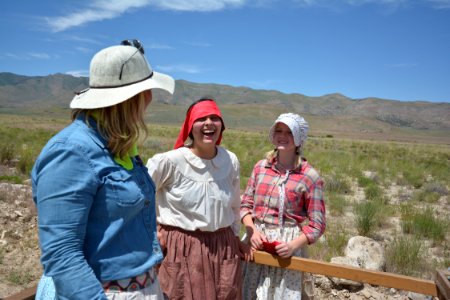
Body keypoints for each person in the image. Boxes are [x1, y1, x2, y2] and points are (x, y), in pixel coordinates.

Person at [31, 39, 174, 299]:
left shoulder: (118, 145)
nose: (151, 100)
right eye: (147, 91)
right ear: (133, 98)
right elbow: (62, 253)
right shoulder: (71, 151)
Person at [146, 98, 252, 300]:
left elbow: (234, 206)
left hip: (223, 247)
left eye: (214, 118)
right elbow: (140, 198)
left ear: (222, 125)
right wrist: (152, 233)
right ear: (189, 126)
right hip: (181, 248)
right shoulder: (169, 161)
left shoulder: (230, 160)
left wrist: (235, 237)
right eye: (201, 118)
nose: (209, 123)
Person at [240, 113, 326, 299]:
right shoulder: (260, 168)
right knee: (250, 293)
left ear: (299, 138)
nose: (283, 136)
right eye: (279, 130)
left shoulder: (310, 176)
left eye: (289, 132)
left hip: (288, 249)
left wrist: (293, 246)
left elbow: (317, 225)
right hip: (256, 243)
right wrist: (253, 231)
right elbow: (245, 205)